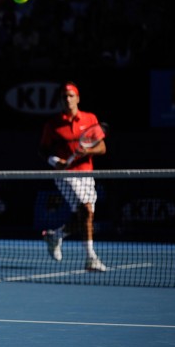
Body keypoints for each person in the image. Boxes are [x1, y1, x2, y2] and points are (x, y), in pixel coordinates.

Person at [38, 81, 107, 272]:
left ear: (78, 98)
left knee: (85, 216)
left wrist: (88, 151)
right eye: (64, 97)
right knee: (86, 209)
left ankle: (55, 236)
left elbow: (102, 147)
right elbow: (42, 150)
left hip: (87, 174)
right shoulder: (53, 124)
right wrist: (55, 161)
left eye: (71, 96)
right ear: (61, 100)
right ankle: (91, 258)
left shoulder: (90, 118)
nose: (68, 99)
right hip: (65, 175)